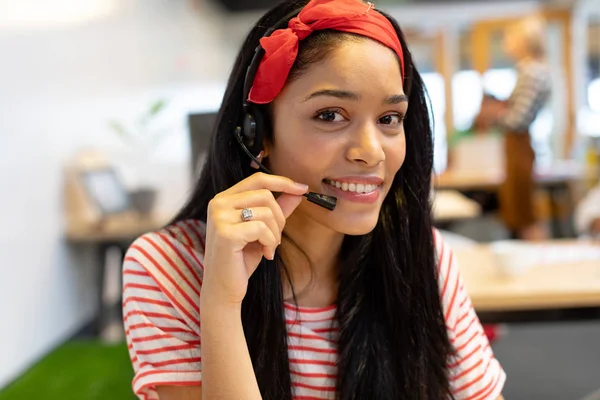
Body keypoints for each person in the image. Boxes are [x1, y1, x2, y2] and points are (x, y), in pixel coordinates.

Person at [122, 1, 506, 399]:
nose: (371, 152)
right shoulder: (168, 266)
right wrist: (220, 304)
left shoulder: (421, 255)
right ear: (258, 134)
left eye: (389, 119)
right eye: (330, 115)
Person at [475, 15, 552, 241]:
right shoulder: (534, 70)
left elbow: (519, 119)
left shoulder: (530, 71)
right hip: (519, 143)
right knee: (522, 209)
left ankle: (537, 260)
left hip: (519, 143)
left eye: (510, 37)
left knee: (524, 212)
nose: (506, 42)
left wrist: (494, 116)